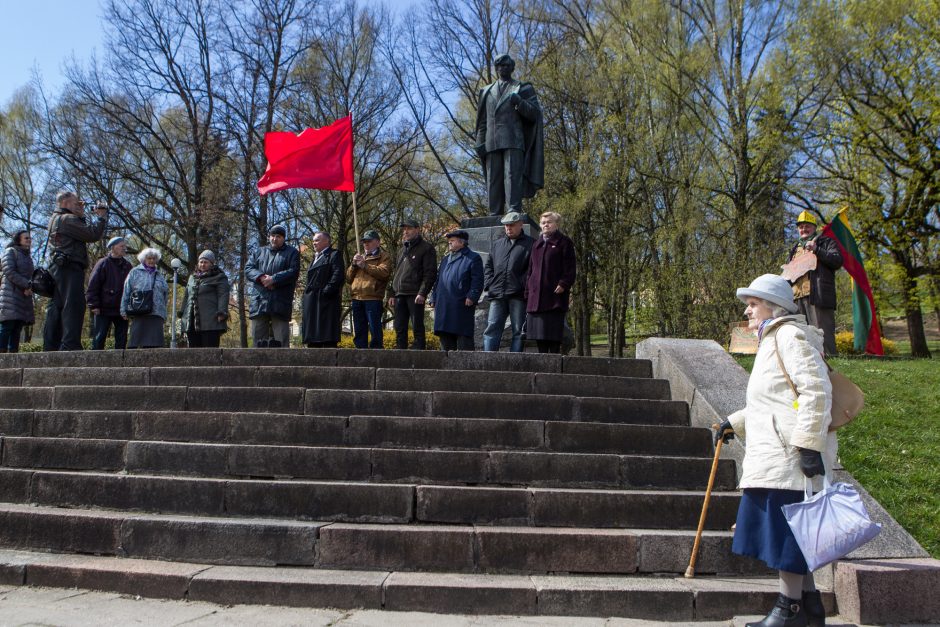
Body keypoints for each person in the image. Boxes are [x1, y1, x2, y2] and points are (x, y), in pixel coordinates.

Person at [715, 274, 835, 627]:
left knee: (787, 536)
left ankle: (789, 610)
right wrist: (733, 422)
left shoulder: (789, 335)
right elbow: (772, 401)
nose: (748, 311)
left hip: (790, 456)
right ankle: (810, 607)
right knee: (792, 535)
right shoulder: (772, 339)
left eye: (753, 304)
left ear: (774, 306)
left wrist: (810, 445)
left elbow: (816, 390)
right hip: (777, 454)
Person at [475, 53, 545, 215]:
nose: (503, 68)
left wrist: (519, 102)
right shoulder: (486, 91)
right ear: (497, 68)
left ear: (512, 68)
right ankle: (494, 212)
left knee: (512, 176)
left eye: (507, 65)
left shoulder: (522, 87)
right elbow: (483, 120)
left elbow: (535, 114)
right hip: (491, 142)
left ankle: (513, 209)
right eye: (500, 66)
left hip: (514, 140)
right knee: (494, 179)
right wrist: (480, 141)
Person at [43, 191, 109, 351]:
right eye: (75, 202)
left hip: (58, 267)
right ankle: (70, 344)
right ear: (64, 202)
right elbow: (92, 234)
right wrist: (101, 217)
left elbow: (78, 232)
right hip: (70, 267)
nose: (80, 204)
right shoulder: (67, 219)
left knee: (57, 306)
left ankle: (51, 346)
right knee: (74, 305)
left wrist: (80, 214)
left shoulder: (56, 219)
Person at [786, 211, 843, 356]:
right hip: (797, 296)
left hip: (818, 295)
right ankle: (806, 360)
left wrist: (817, 250)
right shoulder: (794, 249)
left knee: (821, 331)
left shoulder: (826, 242)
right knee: (801, 333)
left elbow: (837, 261)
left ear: (814, 227)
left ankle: (830, 360)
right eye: (801, 227)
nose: (803, 229)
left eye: (807, 226)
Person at [524, 211, 576, 354]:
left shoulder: (564, 242)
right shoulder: (536, 244)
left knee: (552, 334)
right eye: (543, 222)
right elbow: (530, 269)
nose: (545, 225)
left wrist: (564, 283)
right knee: (539, 335)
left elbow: (570, 268)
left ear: (556, 224)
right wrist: (528, 290)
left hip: (554, 296)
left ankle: (553, 360)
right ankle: (542, 359)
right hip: (536, 298)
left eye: (549, 222)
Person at [483, 211, 533, 352]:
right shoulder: (498, 244)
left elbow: (532, 269)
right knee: (492, 328)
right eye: (506, 226)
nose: (508, 228)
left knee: (518, 330)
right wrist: (489, 284)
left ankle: (514, 363)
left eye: (511, 225)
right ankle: (488, 360)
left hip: (518, 295)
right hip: (497, 294)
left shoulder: (531, 244)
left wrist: (522, 285)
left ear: (520, 224)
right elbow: (488, 266)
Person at [245, 224, 299, 347]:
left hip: (280, 302)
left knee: (281, 341)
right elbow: (248, 269)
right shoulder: (259, 252)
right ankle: (257, 366)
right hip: (259, 301)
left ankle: (283, 366)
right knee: (258, 342)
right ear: (269, 237)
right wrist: (262, 278)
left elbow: (293, 271)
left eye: (278, 236)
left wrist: (274, 279)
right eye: (272, 236)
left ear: (283, 238)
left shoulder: (292, 253)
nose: (275, 239)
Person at [387, 218, 437, 350]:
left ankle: (419, 353)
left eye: (409, 228)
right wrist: (392, 293)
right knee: (399, 326)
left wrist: (422, 293)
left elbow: (430, 273)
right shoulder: (401, 250)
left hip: (415, 293)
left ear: (417, 230)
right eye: (404, 229)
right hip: (399, 294)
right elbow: (395, 273)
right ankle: (400, 351)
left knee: (417, 326)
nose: (405, 231)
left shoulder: (426, 248)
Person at [429, 230, 484, 351]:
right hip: (443, 304)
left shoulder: (473, 258)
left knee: (463, 338)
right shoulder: (445, 259)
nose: (449, 243)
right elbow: (438, 281)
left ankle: (467, 368)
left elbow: (478, 280)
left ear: (462, 242)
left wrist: (472, 295)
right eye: (449, 241)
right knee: (445, 339)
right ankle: (446, 366)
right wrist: (433, 297)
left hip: (461, 303)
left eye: (452, 241)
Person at [346, 230, 392, 349]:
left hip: (373, 297)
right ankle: (360, 351)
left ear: (377, 242)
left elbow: (384, 273)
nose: (366, 244)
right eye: (364, 242)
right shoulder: (359, 257)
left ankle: (376, 351)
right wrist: (353, 265)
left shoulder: (384, 257)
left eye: (369, 241)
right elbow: (348, 278)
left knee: (374, 327)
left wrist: (365, 266)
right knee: (359, 328)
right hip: (357, 297)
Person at [86, 236, 133, 350]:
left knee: (121, 339)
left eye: (125, 246)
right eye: (121, 246)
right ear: (113, 247)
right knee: (99, 337)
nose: (124, 248)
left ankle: (121, 364)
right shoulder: (103, 263)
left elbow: (132, 287)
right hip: (103, 308)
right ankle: (97, 363)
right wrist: (94, 304)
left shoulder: (127, 265)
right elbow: (93, 284)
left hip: (121, 308)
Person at [301, 232, 344, 348]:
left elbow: (338, 274)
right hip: (312, 301)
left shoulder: (334, 255)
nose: (314, 243)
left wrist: (327, 291)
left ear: (327, 241)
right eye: (313, 240)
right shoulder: (314, 258)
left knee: (326, 334)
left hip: (325, 301)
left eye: (317, 240)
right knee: (313, 334)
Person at [180, 250, 230, 348]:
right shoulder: (192, 278)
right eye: (201, 262)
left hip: (210, 321)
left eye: (206, 262)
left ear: (212, 264)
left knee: (210, 351)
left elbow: (223, 295)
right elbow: (186, 296)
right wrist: (182, 312)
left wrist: (222, 312)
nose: (203, 264)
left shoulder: (219, 277)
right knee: (194, 351)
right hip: (191, 320)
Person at [121, 248, 169, 349]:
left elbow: (165, 295)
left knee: (155, 344)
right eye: (149, 258)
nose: (152, 260)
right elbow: (127, 291)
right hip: (140, 311)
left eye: (154, 258)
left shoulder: (159, 275)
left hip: (156, 313)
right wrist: (123, 310)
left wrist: (164, 313)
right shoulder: (134, 272)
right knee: (135, 342)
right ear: (144, 259)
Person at [0, 230, 35, 353]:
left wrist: (31, 288)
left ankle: (13, 355)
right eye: (26, 238)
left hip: (23, 296)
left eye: (30, 238)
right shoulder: (11, 252)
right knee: (8, 325)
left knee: (17, 327)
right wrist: (27, 284)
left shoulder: (27, 256)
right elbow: (9, 271)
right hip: (11, 295)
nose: (29, 240)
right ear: (18, 240)